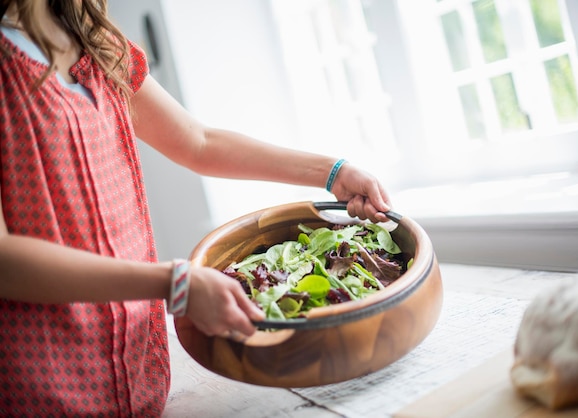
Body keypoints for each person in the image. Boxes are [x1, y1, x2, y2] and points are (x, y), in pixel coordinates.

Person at [0, 0, 393, 416]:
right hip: (42, 386)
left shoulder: (98, 43)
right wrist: (174, 283)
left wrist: (332, 172)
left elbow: (199, 141)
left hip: (140, 377)